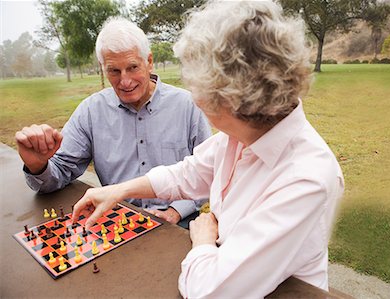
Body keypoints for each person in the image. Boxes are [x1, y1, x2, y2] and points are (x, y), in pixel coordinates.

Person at [72, 1, 344, 297]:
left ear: (236, 97)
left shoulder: (306, 180)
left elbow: (209, 291)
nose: (196, 99)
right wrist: (119, 191)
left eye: (202, 88)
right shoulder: (243, 133)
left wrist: (203, 238)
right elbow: (188, 173)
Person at [14, 17, 211, 226]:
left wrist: (175, 212)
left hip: (178, 221)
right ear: (103, 68)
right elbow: (59, 172)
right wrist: (38, 166)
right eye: (114, 71)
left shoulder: (188, 105)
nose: (125, 81)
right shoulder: (91, 111)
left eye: (133, 67)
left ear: (149, 61)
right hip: (118, 220)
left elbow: (208, 171)